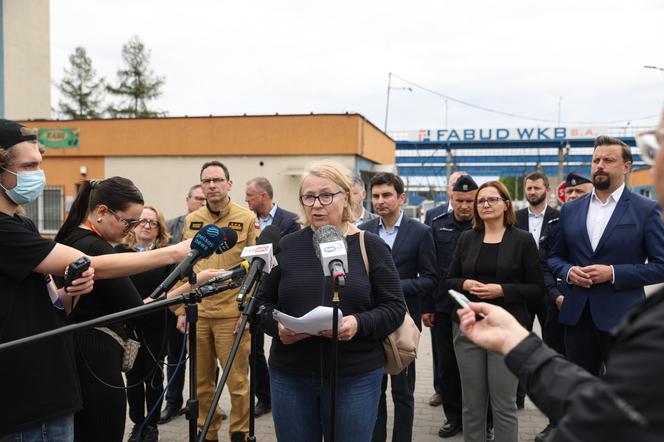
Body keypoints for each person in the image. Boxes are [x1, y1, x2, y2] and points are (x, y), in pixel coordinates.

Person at [255, 161, 407, 442]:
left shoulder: (370, 245)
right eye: (309, 197)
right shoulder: (286, 246)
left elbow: (395, 308)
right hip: (291, 375)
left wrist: (358, 323)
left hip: (355, 377)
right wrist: (277, 328)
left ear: (346, 197)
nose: (316, 204)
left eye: (326, 195)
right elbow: (260, 303)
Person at [53, 177, 193, 442]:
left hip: (78, 349)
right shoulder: (96, 247)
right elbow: (136, 310)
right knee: (103, 429)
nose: (131, 230)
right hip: (95, 355)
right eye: (128, 222)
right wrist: (185, 291)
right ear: (102, 212)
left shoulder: (73, 236)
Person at [548, 135, 664, 377]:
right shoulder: (570, 209)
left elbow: (660, 265)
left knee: (626, 398)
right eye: (595, 160)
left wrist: (612, 273)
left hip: (623, 321)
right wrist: (569, 272)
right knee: (579, 394)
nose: (599, 165)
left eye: (608, 160)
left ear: (626, 166)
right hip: (577, 318)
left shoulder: (645, 210)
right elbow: (554, 257)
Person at [446, 180, 544, 442]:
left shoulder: (522, 240)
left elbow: (537, 288)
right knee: (472, 404)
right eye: (481, 201)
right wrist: (465, 283)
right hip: (469, 328)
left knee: (504, 403)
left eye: (492, 200)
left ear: (506, 204)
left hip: (506, 330)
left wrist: (502, 291)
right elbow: (449, 281)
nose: (485, 205)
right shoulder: (468, 238)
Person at [171, 161, 257, 442]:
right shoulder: (192, 220)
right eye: (206, 180)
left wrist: (247, 312)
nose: (211, 185)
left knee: (238, 382)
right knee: (201, 383)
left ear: (229, 184)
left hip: (232, 313)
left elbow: (256, 269)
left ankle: (240, 433)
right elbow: (188, 267)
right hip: (199, 312)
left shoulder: (245, 218)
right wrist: (181, 309)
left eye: (217, 180)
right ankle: (208, 432)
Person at [358, 172, 437, 442]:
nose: (380, 201)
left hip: (403, 325)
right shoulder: (364, 231)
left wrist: (393, 288)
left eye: (387, 195)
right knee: (373, 391)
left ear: (401, 197)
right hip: (370, 321)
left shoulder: (421, 232)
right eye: (376, 196)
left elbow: (430, 277)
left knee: (403, 392)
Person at [422, 174, 478, 438]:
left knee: (477, 368)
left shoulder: (485, 225)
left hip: (478, 308)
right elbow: (429, 270)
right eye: (459, 200)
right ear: (451, 199)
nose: (465, 205)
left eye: (469, 200)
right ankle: (453, 417)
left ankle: (480, 420)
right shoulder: (437, 225)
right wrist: (427, 307)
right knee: (448, 366)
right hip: (444, 307)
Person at [244, 176, 300, 418]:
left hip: (278, 292)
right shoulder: (247, 220)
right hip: (252, 289)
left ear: (263, 196)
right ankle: (264, 397)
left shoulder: (290, 221)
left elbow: (292, 257)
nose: (245, 199)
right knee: (253, 351)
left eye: (249, 195)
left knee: (280, 342)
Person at [115, 207, 173, 442]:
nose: (147, 226)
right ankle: (138, 423)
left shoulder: (166, 254)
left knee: (154, 377)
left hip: (158, 325)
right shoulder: (120, 251)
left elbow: (172, 288)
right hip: (129, 327)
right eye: (143, 221)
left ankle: (152, 425)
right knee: (133, 379)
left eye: (153, 223)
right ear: (134, 225)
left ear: (159, 229)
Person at [160, 184, 206, 425]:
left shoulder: (212, 227)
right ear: (187, 199)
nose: (201, 202)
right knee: (175, 356)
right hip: (176, 301)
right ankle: (173, 402)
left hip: (205, 302)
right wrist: (177, 308)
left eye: (204, 199)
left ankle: (207, 405)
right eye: (197, 198)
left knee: (205, 362)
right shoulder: (172, 226)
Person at [514, 171, 559, 410]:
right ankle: (517, 396)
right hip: (522, 289)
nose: (532, 192)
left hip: (549, 291)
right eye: (529, 188)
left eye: (537, 188)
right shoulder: (515, 217)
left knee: (551, 345)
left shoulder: (558, 218)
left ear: (547, 190)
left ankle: (550, 399)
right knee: (520, 343)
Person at [424, 170, 466, 408]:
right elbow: (429, 264)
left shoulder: (479, 218)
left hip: (471, 302)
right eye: (453, 186)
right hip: (441, 300)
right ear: (449, 191)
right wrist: (427, 304)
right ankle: (442, 392)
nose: (457, 189)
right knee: (442, 355)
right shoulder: (434, 216)